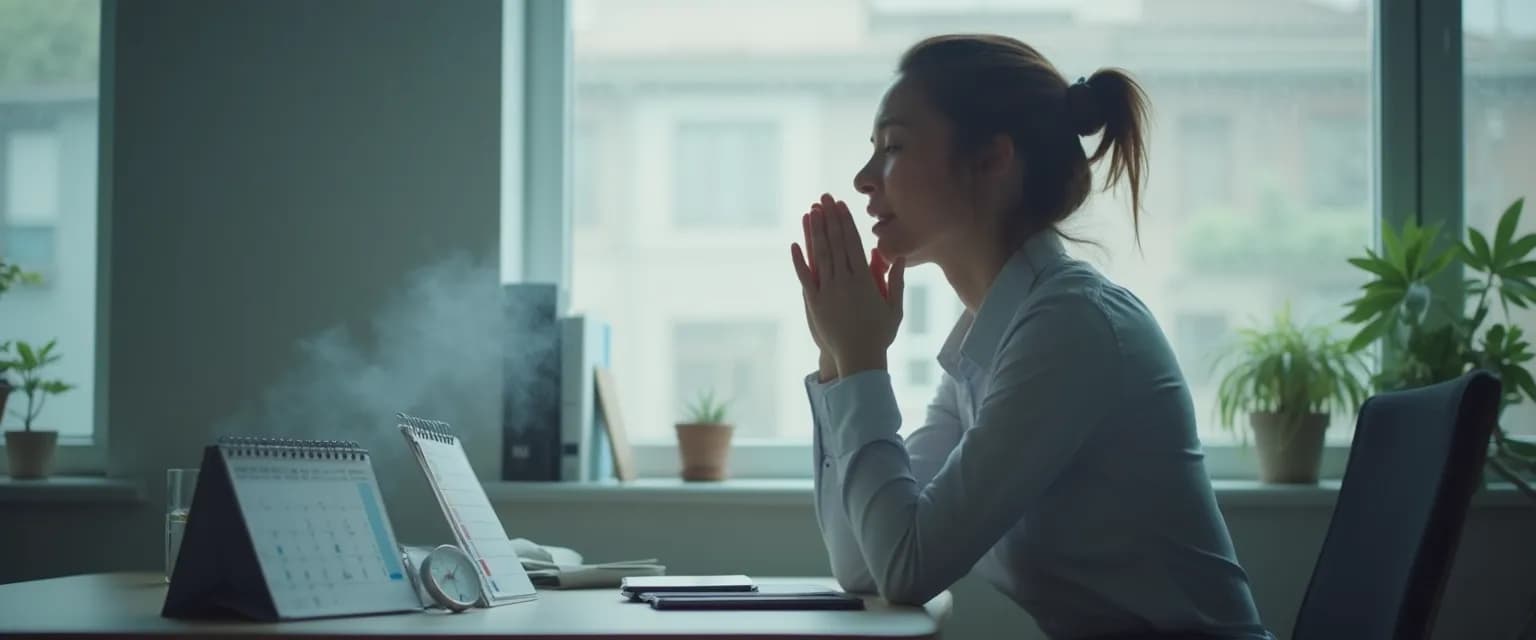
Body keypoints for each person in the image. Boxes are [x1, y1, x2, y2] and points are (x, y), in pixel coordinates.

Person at [788, 34, 1272, 640]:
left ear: (992, 160)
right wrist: (838, 357)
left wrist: (862, 364)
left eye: (893, 146)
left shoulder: (1070, 327)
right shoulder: (991, 341)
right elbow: (865, 565)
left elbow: (906, 568)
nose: (864, 179)